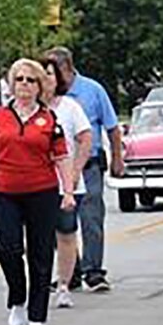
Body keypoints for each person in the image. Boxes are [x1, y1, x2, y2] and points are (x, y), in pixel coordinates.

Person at [0, 58, 77, 325]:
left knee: (40, 252)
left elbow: (62, 157)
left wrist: (68, 191)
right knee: (8, 248)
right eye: (19, 79)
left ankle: (37, 314)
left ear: (39, 86)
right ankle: (17, 296)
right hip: (4, 190)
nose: (24, 85)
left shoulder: (48, 119)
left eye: (31, 80)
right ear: (11, 84)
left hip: (41, 190)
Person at [45, 47, 122, 293]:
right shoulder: (44, 98)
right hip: (55, 168)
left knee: (91, 218)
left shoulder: (92, 90)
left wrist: (117, 158)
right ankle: (71, 271)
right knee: (61, 222)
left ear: (66, 68)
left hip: (89, 165)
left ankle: (94, 271)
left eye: (55, 72)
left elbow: (112, 127)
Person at [46, 65, 95, 311]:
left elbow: (86, 137)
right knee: (38, 237)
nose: (45, 80)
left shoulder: (69, 107)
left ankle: (64, 285)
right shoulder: (23, 109)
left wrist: (76, 170)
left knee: (66, 233)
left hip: (66, 183)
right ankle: (40, 281)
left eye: (50, 74)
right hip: (35, 183)